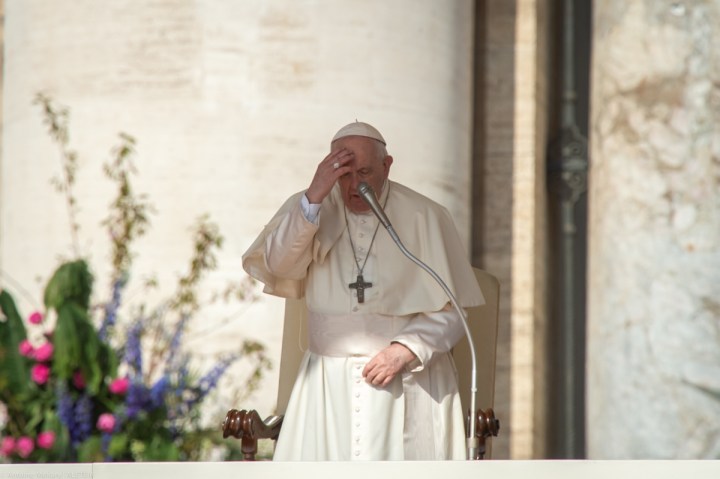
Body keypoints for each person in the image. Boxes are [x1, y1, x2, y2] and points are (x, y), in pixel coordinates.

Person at [242, 121, 485, 460]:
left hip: (407, 378)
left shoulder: (426, 215)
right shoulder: (310, 208)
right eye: (343, 174)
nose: (354, 185)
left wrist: (405, 350)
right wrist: (314, 195)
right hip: (327, 384)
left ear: (387, 166)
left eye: (366, 172)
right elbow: (278, 266)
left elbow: (453, 310)